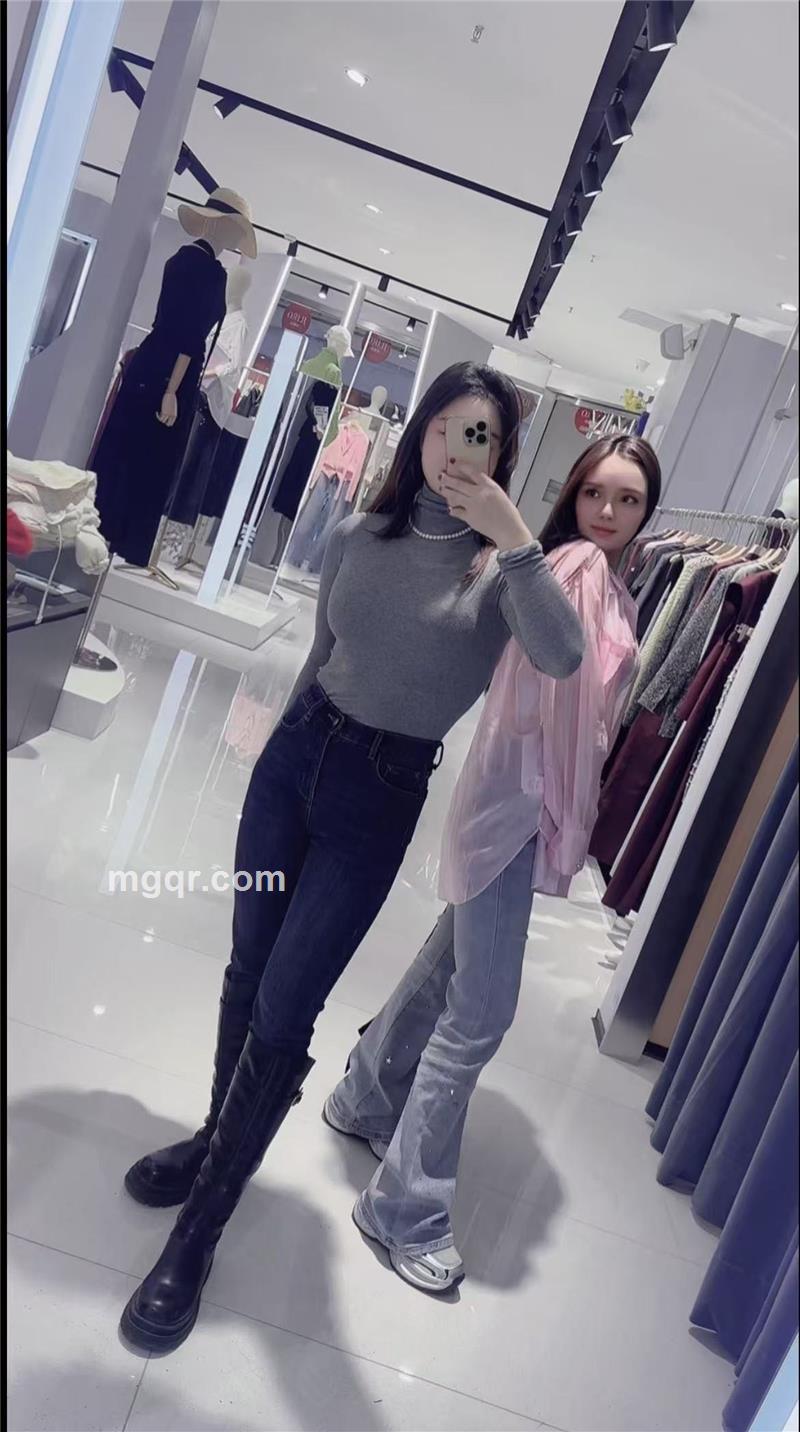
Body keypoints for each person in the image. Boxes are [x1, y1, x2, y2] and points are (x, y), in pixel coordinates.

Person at [120, 361, 585, 1351]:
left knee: (288, 1004)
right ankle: (213, 1143)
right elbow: (320, 654)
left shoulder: (500, 574)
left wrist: (514, 535)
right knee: (247, 971)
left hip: (378, 797)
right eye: (446, 427)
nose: (456, 450)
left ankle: (200, 1230)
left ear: (503, 455)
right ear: (420, 433)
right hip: (294, 761)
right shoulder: (358, 536)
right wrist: (274, 753)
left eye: (480, 436)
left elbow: (563, 654)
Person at [324, 434, 661, 1293]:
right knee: (480, 1013)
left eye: (628, 499)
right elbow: (558, 700)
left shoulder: (608, 579)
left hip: (517, 801)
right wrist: (560, 822)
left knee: (449, 964)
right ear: (573, 494)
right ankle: (403, 1208)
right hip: (518, 803)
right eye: (596, 492)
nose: (608, 512)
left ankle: (364, 1097)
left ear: (648, 510)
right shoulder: (576, 567)